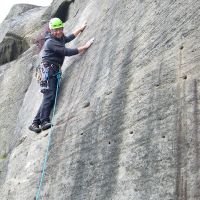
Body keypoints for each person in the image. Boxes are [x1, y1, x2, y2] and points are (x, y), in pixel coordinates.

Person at [29, 17, 94, 133]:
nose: (58, 32)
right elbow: (67, 52)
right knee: (50, 95)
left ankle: (35, 123)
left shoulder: (59, 38)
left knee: (48, 96)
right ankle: (44, 121)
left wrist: (80, 29)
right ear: (51, 31)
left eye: (60, 29)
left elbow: (68, 38)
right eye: (55, 30)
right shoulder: (50, 42)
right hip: (48, 70)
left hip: (52, 70)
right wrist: (85, 46)